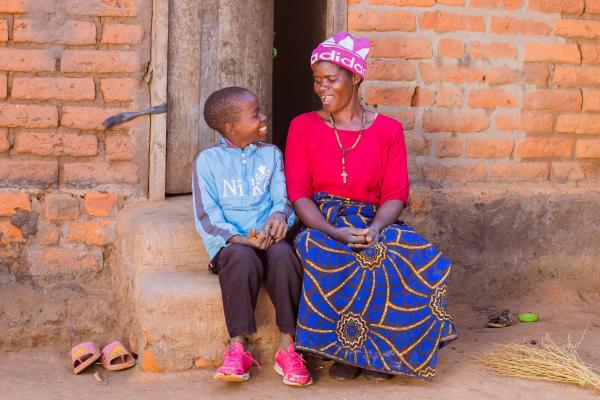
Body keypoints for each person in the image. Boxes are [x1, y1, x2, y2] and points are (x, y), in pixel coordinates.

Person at [285, 33, 457, 382]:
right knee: (317, 248)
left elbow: (396, 193)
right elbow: (299, 194)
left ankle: (383, 354)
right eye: (318, 81)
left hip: (373, 217)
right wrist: (333, 230)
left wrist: (376, 228)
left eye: (331, 79)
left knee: (410, 252)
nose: (322, 88)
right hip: (324, 218)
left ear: (356, 78)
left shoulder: (388, 130)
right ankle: (345, 355)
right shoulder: (302, 126)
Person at [192, 87, 312, 386]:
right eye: (255, 114)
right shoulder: (207, 162)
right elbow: (207, 216)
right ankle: (238, 347)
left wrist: (278, 217)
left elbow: (283, 199)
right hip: (233, 245)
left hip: (271, 240)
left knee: (285, 255)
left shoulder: (271, 155)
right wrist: (238, 238)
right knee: (241, 259)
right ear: (232, 127)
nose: (263, 117)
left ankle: (289, 346)